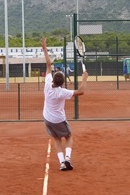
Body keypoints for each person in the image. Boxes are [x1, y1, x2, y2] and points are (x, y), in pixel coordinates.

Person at [41, 37, 88, 171]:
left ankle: (62, 163)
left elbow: (49, 65)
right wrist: (84, 79)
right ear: (62, 83)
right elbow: (81, 91)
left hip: (47, 118)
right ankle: (67, 158)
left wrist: (45, 49)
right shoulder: (62, 92)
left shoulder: (47, 84)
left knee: (56, 139)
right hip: (59, 119)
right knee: (68, 136)